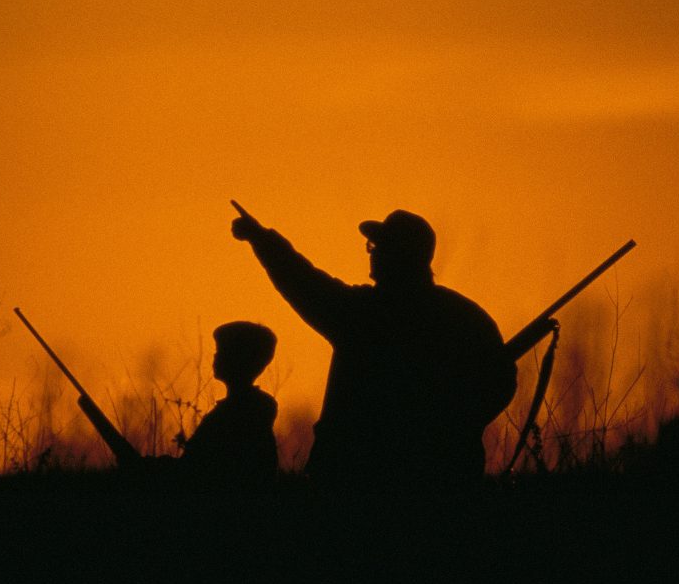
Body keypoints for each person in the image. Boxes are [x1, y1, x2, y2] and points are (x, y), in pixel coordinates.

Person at [230, 202, 517, 491]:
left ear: (399, 255)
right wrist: (454, 429)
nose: (372, 253)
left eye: (378, 246)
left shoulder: (364, 315)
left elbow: (303, 283)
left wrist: (261, 240)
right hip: (442, 480)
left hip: (356, 476)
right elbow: (501, 381)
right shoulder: (465, 317)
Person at [165, 321, 280, 490]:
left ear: (240, 359)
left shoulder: (238, 414)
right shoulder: (251, 409)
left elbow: (197, 469)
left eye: (222, 352)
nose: (215, 356)